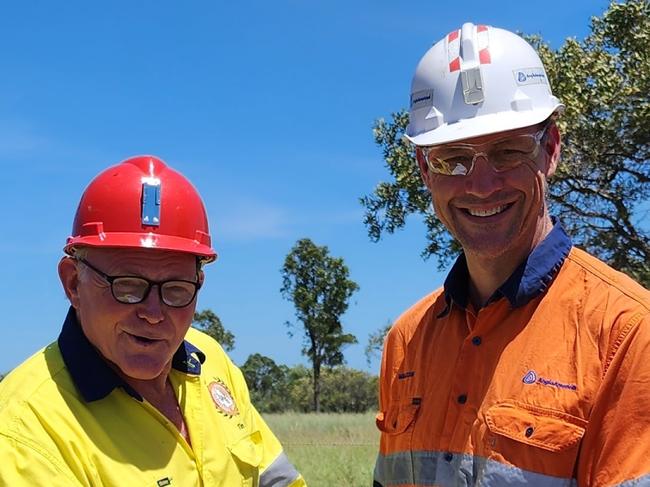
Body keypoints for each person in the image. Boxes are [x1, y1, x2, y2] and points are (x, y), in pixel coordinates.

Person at [373, 23, 650, 486]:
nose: (481, 185)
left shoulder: (626, 332)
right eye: (452, 159)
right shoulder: (406, 340)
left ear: (551, 150)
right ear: (424, 169)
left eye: (508, 151)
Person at [0, 156, 306, 486]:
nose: (154, 313)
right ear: (73, 283)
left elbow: (276, 479)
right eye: (128, 286)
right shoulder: (25, 428)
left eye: (176, 289)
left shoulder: (210, 360)